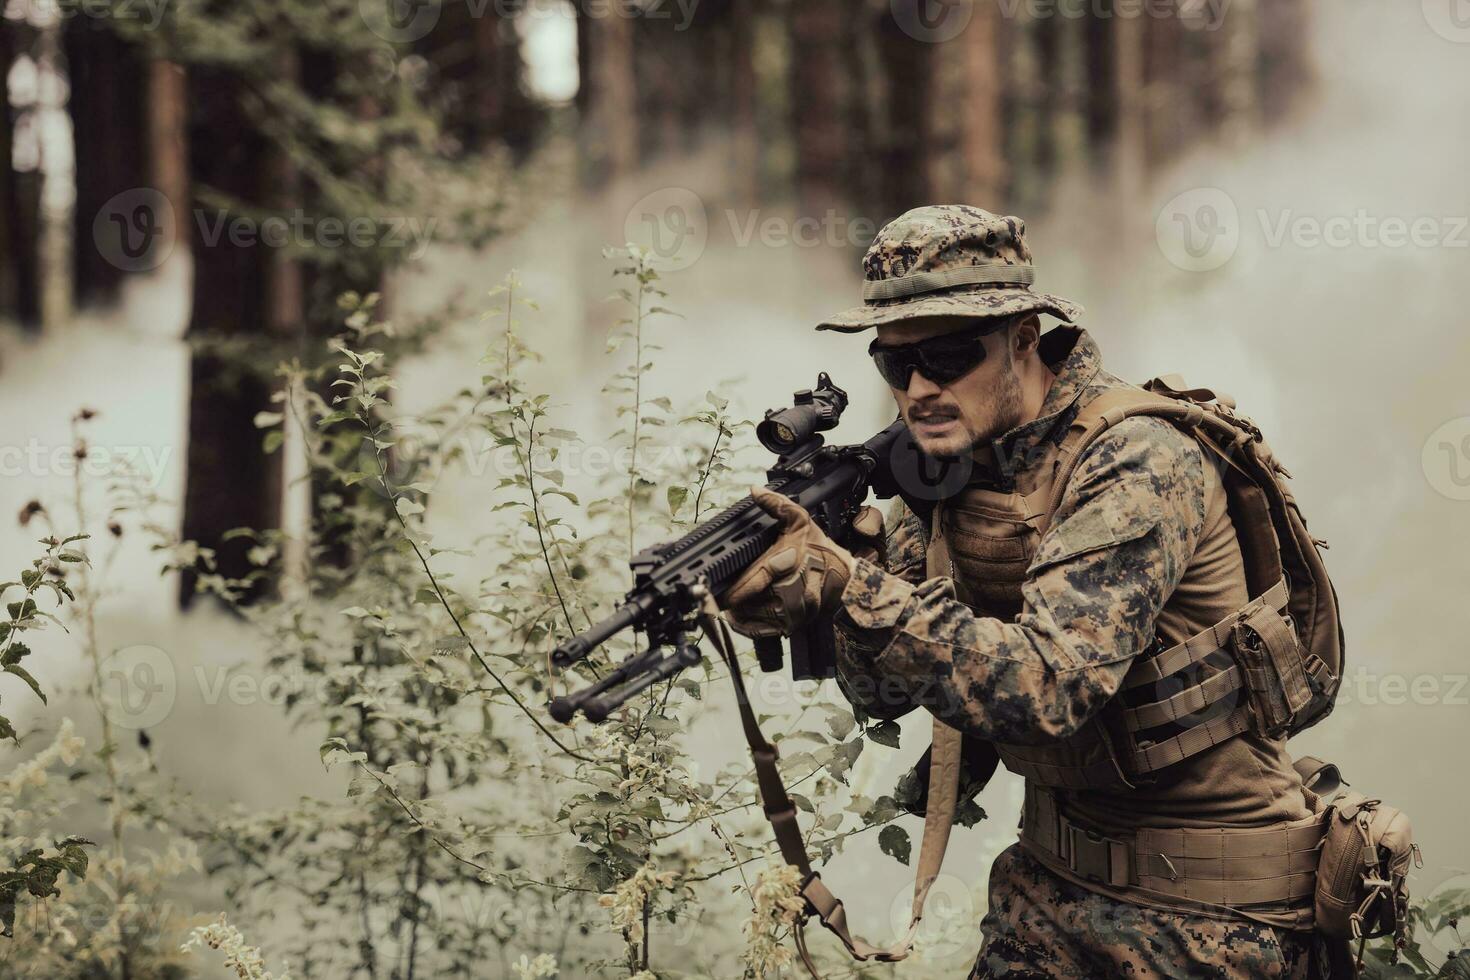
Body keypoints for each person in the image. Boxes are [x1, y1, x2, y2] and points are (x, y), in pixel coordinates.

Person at [720, 205, 1333, 978]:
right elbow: (884, 691)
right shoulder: (958, 466)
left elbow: (1049, 688)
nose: (918, 389)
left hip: (1212, 911)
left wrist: (855, 586)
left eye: (945, 356)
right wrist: (820, 592)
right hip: (1050, 886)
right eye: (893, 363)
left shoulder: (1137, 457)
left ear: (1021, 340)